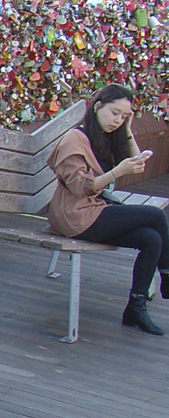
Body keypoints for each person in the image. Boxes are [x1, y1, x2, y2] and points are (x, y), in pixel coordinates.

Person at [48, 83, 169, 335]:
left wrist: (126, 127)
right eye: (115, 113)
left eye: (123, 116)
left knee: (151, 238)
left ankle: (135, 308)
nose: (117, 120)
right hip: (74, 215)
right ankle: (167, 274)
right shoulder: (74, 138)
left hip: (93, 210)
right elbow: (81, 187)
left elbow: (137, 162)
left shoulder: (104, 136)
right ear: (97, 106)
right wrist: (117, 172)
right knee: (155, 215)